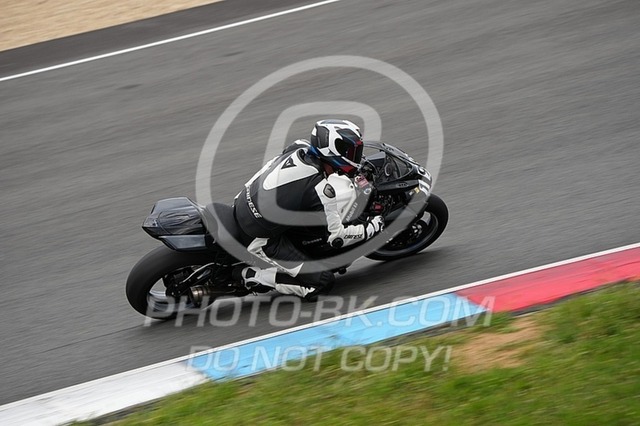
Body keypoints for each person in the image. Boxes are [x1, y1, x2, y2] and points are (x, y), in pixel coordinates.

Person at [232, 119, 385, 301]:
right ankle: (253, 276)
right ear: (334, 151)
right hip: (260, 238)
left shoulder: (299, 147)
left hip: (243, 202)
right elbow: (336, 238)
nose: (356, 156)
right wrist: (372, 228)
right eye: (352, 152)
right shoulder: (320, 189)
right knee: (322, 282)